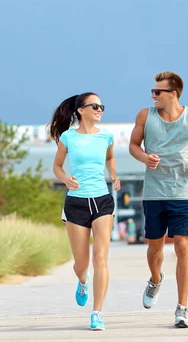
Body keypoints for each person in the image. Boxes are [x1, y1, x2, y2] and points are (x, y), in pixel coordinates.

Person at [129, 71, 188, 328]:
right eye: (152, 91)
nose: (153, 95)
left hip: (183, 193)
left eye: (157, 91)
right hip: (154, 193)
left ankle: (182, 308)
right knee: (155, 247)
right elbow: (134, 145)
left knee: (182, 246)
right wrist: (145, 157)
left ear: (173, 94)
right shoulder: (145, 116)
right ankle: (156, 279)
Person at [49, 92, 120, 331]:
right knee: (82, 264)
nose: (100, 109)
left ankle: (97, 312)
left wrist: (113, 175)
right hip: (76, 203)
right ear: (81, 110)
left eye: (102, 105)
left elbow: (110, 159)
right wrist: (66, 179)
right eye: (95, 106)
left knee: (101, 258)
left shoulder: (106, 136)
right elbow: (57, 166)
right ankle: (82, 281)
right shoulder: (68, 137)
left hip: (102, 200)